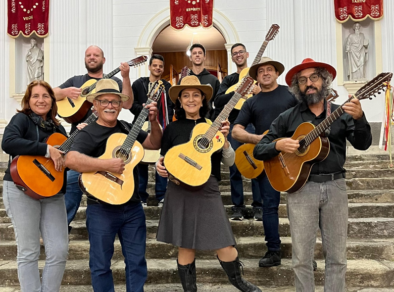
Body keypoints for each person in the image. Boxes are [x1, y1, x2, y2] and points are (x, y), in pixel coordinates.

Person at [253, 58, 372, 291]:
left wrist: (360, 118)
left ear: (324, 81)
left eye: (314, 78)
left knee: (337, 257)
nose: (309, 84)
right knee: (301, 259)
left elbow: (363, 143)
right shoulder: (288, 117)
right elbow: (259, 149)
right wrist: (278, 146)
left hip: (335, 186)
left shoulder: (340, 113)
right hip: (301, 189)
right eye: (303, 80)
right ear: (298, 86)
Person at [155, 75, 261, 292]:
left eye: (196, 95)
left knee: (224, 242)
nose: (191, 99)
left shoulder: (213, 126)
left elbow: (230, 161)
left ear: (203, 100)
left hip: (207, 188)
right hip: (179, 188)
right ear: (180, 101)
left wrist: (225, 142)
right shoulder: (172, 129)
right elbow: (165, 158)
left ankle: (238, 282)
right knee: (185, 244)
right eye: (186, 95)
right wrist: (159, 166)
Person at [65, 79, 162, 292]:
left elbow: (154, 143)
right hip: (101, 208)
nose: (110, 105)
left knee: (137, 263)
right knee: (100, 265)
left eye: (115, 101)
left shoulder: (128, 128)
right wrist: (107, 164)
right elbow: (70, 160)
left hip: (133, 206)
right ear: (95, 105)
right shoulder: (87, 133)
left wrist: (154, 122)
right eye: (105, 101)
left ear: (120, 105)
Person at [53, 45, 134, 233]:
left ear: (103, 60)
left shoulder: (113, 82)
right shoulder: (77, 81)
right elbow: (52, 94)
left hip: (108, 144)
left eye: (96, 55)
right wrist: (66, 93)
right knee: (71, 181)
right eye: (88, 55)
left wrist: (126, 77)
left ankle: (108, 223)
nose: (92, 57)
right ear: (84, 59)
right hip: (79, 142)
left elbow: (128, 103)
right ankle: (60, 228)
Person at [2, 80, 68, 292]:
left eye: (45, 96)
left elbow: (67, 160)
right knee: (29, 250)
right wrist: (47, 150)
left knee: (59, 250)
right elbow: (8, 142)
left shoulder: (59, 127)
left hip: (52, 192)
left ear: (52, 100)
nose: (41, 100)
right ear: (28, 101)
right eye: (35, 96)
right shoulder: (21, 119)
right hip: (21, 187)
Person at [232, 56, 298, 267]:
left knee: (300, 207)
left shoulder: (291, 94)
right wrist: (258, 139)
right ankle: (273, 251)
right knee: (269, 207)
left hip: (295, 157)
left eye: (270, 69)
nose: (266, 73)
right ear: (256, 77)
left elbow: (308, 118)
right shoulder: (252, 102)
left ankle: (303, 254)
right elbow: (236, 131)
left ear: (277, 73)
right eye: (261, 71)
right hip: (267, 160)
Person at [213, 43, 262, 221]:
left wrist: (259, 91)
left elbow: (268, 96)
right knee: (234, 167)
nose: (238, 55)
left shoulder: (258, 77)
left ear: (247, 54)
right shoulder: (229, 80)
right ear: (232, 57)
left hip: (253, 126)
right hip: (233, 126)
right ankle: (238, 207)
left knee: (255, 165)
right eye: (235, 53)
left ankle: (258, 206)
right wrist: (237, 93)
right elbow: (217, 101)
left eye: (241, 52)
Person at [130, 54, 173, 207]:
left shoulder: (166, 87)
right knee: (140, 161)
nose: (157, 68)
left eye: (160, 66)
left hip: (159, 126)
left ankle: (161, 195)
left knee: (160, 158)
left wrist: (161, 120)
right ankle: (141, 195)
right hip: (139, 126)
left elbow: (170, 108)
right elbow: (131, 105)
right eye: (155, 65)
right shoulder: (138, 84)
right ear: (149, 67)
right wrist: (143, 110)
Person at [187, 43, 220, 118]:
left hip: (207, 122)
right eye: (194, 53)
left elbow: (219, 104)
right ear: (190, 58)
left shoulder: (213, 80)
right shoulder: (184, 80)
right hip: (187, 122)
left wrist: (213, 120)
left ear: (204, 57)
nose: (197, 55)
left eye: (200, 53)